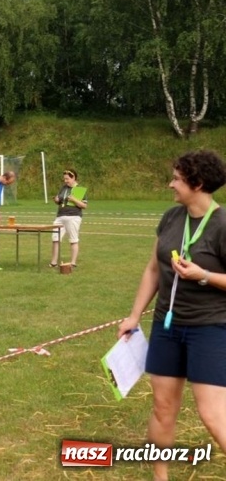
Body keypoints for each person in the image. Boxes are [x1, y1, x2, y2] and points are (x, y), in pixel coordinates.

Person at [117, 150, 226, 481]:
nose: (170, 184)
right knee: (163, 408)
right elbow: (153, 269)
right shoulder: (170, 218)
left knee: (212, 413)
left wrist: (202, 275)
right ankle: (159, 477)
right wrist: (134, 316)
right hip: (167, 326)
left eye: (177, 179)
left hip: (210, 328)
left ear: (198, 183)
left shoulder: (223, 225)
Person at [49, 168, 88, 268]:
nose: (65, 181)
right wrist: (56, 200)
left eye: (67, 179)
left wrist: (74, 200)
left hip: (73, 216)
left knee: (73, 239)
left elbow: (84, 206)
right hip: (60, 216)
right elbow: (60, 200)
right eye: (64, 179)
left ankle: (73, 262)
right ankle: (53, 262)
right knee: (55, 238)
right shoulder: (63, 188)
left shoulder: (79, 189)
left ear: (73, 178)